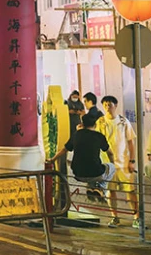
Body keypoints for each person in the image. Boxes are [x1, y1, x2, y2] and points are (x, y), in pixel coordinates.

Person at [48, 112, 115, 198]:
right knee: (111, 167)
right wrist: (113, 163)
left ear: (82, 124)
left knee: (92, 168)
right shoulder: (99, 136)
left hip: (78, 174)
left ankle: (91, 188)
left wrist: (52, 159)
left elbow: (64, 150)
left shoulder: (77, 135)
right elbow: (110, 153)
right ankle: (101, 187)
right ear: (95, 124)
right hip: (96, 173)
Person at [96, 95, 138, 227]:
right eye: (105, 105)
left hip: (124, 162)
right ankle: (114, 216)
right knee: (110, 191)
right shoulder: (100, 122)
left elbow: (131, 142)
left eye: (110, 104)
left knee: (130, 190)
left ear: (116, 105)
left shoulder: (123, 121)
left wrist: (132, 160)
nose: (108, 107)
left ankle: (137, 217)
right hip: (107, 164)